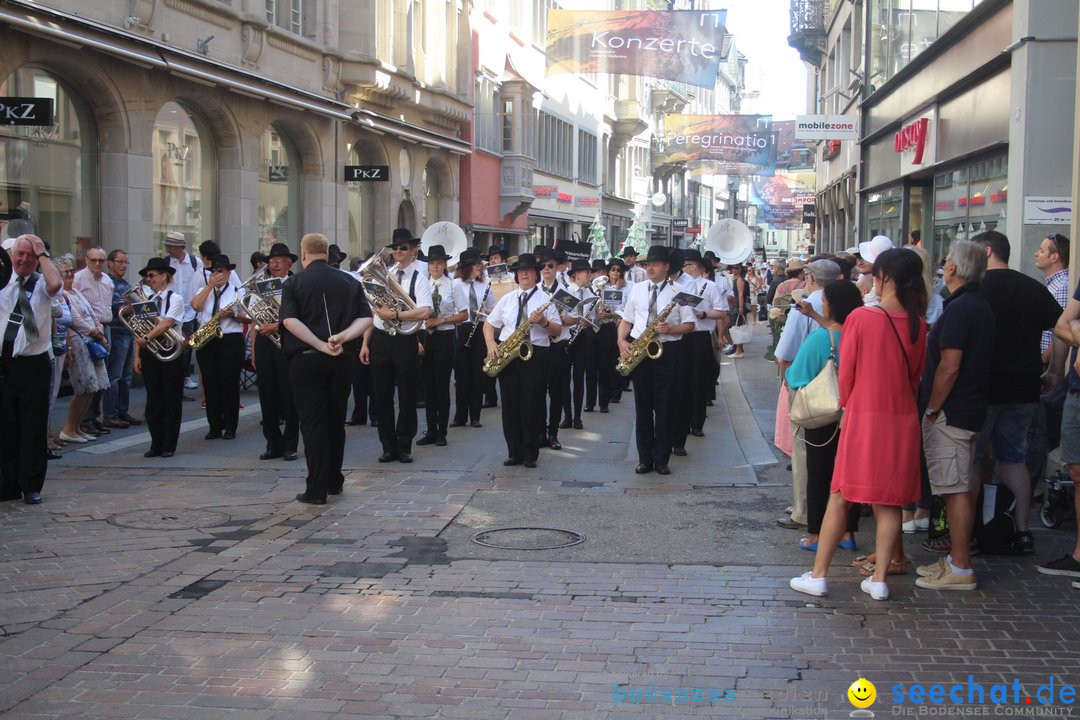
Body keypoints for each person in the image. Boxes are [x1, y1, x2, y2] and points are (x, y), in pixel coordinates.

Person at [790, 248, 927, 601]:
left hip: (865, 416)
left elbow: (846, 376)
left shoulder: (862, 320)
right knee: (890, 501)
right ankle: (880, 579)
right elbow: (915, 377)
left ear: (883, 278)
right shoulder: (918, 324)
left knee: (841, 496)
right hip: (902, 419)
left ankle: (819, 575)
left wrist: (848, 405)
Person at [972, 230, 1064, 554]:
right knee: (1014, 460)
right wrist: (1055, 371)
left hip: (983, 388)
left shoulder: (976, 289)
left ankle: (970, 529)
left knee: (973, 459)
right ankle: (1023, 530)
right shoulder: (1033, 288)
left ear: (986, 252)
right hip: (1023, 387)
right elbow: (1063, 328)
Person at [914, 239, 996, 591]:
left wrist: (933, 406)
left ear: (952, 269)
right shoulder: (974, 304)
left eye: (946, 261)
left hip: (953, 412)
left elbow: (950, 365)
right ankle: (955, 560)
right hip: (966, 409)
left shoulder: (963, 308)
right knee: (955, 486)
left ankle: (961, 566)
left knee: (955, 488)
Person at [281, 233, 372, 504]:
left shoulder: (294, 283)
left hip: (306, 359)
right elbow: (367, 318)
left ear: (304, 253)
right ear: (327, 252)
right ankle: (334, 479)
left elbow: (289, 321)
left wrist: (320, 344)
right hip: (341, 358)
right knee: (335, 421)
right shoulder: (349, 280)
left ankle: (316, 488)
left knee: (313, 425)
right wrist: (341, 338)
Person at [786, 281, 864, 552]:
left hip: (823, 415)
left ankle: (817, 534)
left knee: (819, 473)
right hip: (855, 413)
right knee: (849, 474)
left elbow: (796, 376)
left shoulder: (821, 338)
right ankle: (847, 532)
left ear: (832, 305)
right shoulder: (863, 334)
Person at [617, 245, 695, 475]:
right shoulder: (637, 290)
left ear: (666, 267)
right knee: (642, 408)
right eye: (647, 264)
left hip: (667, 351)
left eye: (655, 264)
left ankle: (661, 458)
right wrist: (621, 341)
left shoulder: (679, 291)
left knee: (664, 407)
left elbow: (690, 325)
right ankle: (644, 458)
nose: (650, 268)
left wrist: (670, 329)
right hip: (641, 350)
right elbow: (627, 320)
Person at [774, 259, 840, 531]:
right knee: (833, 451)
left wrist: (787, 380)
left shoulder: (804, 309)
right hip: (840, 385)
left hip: (808, 386)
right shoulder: (846, 304)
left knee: (804, 450)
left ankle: (804, 511)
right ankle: (834, 511)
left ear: (810, 278)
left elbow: (784, 354)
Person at [360, 228, 432, 464]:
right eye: (395, 248)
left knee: (407, 395)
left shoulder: (419, 278)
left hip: (405, 340)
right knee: (381, 395)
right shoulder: (385, 275)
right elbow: (374, 312)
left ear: (413, 251)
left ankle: (404, 445)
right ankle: (387, 446)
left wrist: (396, 313)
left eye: (403, 248)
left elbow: (424, 311)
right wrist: (365, 343)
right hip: (381, 338)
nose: (398, 252)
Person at [483, 253, 562, 468]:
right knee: (509, 405)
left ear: (536, 274)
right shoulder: (507, 299)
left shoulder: (546, 301)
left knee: (532, 404)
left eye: (528, 270)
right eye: (520, 271)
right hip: (509, 353)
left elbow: (557, 331)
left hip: (535, 353)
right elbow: (489, 325)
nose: (524, 274)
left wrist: (544, 321)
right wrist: (491, 344)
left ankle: (530, 452)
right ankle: (514, 451)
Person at [1, 234, 63, 504]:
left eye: (30, 256)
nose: (24, 260)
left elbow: (56, 283)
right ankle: (7, 484)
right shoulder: (3, 283)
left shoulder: (41, 284)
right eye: (20, 254)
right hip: (5, 364)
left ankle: (31, 485)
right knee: (6, 427)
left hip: (34, 364)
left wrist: (41, 252)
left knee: (33, 427)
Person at [133, 257, 186, 458]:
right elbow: (137, 330)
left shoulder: (176, 299)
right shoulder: (148, 302)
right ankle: (156, 443)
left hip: (171, 354)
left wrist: (147, 336)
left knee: (171, 400)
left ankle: (169, 444)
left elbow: (167, 323)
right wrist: (137, 356)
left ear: (165, 276)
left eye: (152, 275)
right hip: (150, 354)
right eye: (147, 277)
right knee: (153, 400)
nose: (149, 279)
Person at [191, 254, 246, 441]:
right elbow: (196, 306)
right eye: (214, 271)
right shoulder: (203, 290)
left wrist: (233, 314)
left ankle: (230, 426)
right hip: (207, 339)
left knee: (229, 384)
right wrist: (209, 287)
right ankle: (214, 426)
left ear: (229, 273)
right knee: (210, 383)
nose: (217, 275)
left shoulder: (239, 292)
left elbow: (248, 318)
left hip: (230, 339)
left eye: (221, 271)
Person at [57, 257, 111, 445]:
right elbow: (74, 319)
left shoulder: (77, 291)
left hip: (92, 339)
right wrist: (94, 332)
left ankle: (77, 427)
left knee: (93, 386)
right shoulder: (62, 294)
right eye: (66, 272)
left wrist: (99, 329)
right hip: (79, 340)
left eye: (72, 270)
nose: (70, 274)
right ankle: (69, 428)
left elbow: (91, 313)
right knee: (84, 385)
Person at [417, 244, 467, 446]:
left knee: (441, 386)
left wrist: (442, 321)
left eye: (439, 263)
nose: (435, 266)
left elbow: (464, 315)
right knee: (428, 386)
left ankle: (442, 432)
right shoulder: (422, 283)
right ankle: (430, 430)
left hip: (444, 337)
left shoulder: (453, 284)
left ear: (445, 264)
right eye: (432, 263)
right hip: (425, 336)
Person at [254, 243, 299, 461]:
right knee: (267, 394)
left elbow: (299, 315)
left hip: (287, 339)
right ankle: (273, 443)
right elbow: (252, 314)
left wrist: (277, 325)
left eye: (279, 260)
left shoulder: (295, 284)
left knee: (289, 394)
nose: (274, 264)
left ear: (289, 263)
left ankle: (290, 444)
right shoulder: (261, 285)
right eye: (271, 260)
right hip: (264, 341)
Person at [678, 249, 726, 439]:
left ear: (694, 266)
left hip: (700, 336)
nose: (683, 269)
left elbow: (721, 312)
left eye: (685, 265)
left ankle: (697, 423)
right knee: (682, 381)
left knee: (698, 381)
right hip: (682, 336)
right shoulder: (678, 285)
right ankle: (682, 421)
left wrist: (703, 313)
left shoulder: (710, 286)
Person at [451, 248, 495, 429]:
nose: (480, 268)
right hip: (462, 329)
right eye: (476, 265)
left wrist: (485, 311)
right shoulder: (455, 284)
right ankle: (460, 416)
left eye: (480, 264)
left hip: (479, 329)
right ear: (467, 267)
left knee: (478, 374)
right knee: (461, 375)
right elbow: (451, 308)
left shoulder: (485, 286)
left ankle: (475, 416)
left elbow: (494, 310)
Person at [73, 247, 114, 436]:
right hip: (89, 331)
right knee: (91, 376)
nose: (97, 264)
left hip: (105, 327)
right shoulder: (79, 278)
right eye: (94, 260)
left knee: (103, 374)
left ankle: (95, 417)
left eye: (101, 260)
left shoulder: (107, 280)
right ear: (86, 260)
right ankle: (85, 420)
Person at [537, 249, 573, 446]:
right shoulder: (535, 290)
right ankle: (541, 432)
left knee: (557, 392)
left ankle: (553, 433)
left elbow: (574, 318)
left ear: (558, 267)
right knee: (539, 390)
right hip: (541, 345)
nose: (546, 269)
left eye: (550, 266)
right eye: (543, 266)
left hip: (560, 344)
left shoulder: (565, 291)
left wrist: (561, 318)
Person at [103, 250, 140, 428]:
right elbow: (117, 307)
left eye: (126, 262)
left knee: (126, 377)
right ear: (110, 263)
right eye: (120, 262)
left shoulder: (126, 284)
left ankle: (122, 411)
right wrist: (130, 306)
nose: (123, 265)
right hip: (116, 332)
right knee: (115, 376)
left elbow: (136, 305)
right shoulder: (106, 282)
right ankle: (110, 414)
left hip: (128, 331)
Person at [164, 231, 204, 391]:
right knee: (173, 344)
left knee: (187, 345)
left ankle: (185, 376)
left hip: (190, 311)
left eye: (171, 246)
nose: (168, 249)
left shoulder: (195, 262)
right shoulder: (166, 262)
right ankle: (177, 378)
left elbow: (201, 283)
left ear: (180, 247)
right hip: (171, 312)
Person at [567, 259, 599, 429]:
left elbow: (595, 319)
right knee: (564, 379)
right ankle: (567, 415)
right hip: (567, 335)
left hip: (582, 337)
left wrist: (591, 320)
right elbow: (560, 315)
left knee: (579, 378)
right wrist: (575, 320)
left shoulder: (590, 295)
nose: (589, 275)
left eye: (589, 272)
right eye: (585, 272)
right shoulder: (566, 291)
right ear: (575, 275)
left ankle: (577, 417)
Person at [596, 258, 628, 411]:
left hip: (621, 327)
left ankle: (616, 392)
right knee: (604, 364)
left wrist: (615, 315)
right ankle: (603, 400)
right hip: (605, 329)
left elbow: (627, 308)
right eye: (613, 269)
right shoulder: (602, 286)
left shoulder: (629, 287)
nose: (615, 272)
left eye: (618, 270)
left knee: (617, 363)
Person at [482, 244, 506, 409]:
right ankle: (490, 396)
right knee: (490, 359)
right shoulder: (485, 279)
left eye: (496, 258)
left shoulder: (511, 278)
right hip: (490, 322)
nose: (493, 261)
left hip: (506, 325)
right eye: (491, 258)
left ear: (502, 260)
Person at [726, 264, 749, 357]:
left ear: (740, 269)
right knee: (735, 327)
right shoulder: (736, 278)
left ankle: (738, 350)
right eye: (733, 268)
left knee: (737, 327)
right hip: (735, 305)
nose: (734, 270)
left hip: (737, 305)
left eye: (736, 268)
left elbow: (740, 294)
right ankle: (737, 349)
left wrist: (740, 307)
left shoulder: (739, 279)